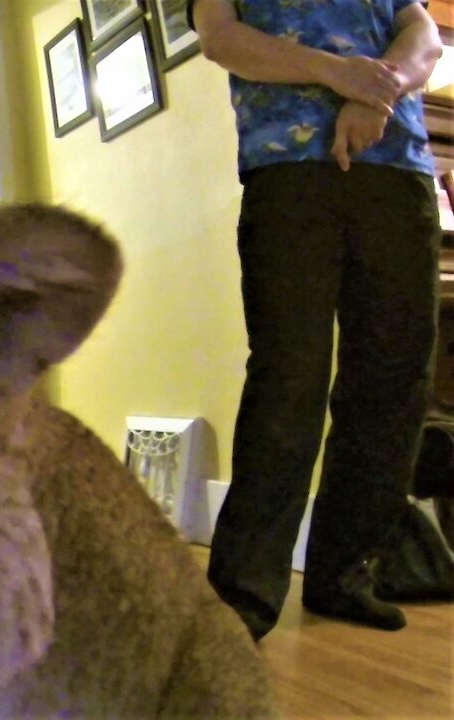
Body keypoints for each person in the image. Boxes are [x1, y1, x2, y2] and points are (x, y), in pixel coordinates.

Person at [189, 0, 444, 640]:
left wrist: (376, 96)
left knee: (391, 381)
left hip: (401, 170)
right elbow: (221, 38)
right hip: (288, 172)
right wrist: (340, 73)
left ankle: (346, 575)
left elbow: (423, 34)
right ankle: (242, 597)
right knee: (289, 378)